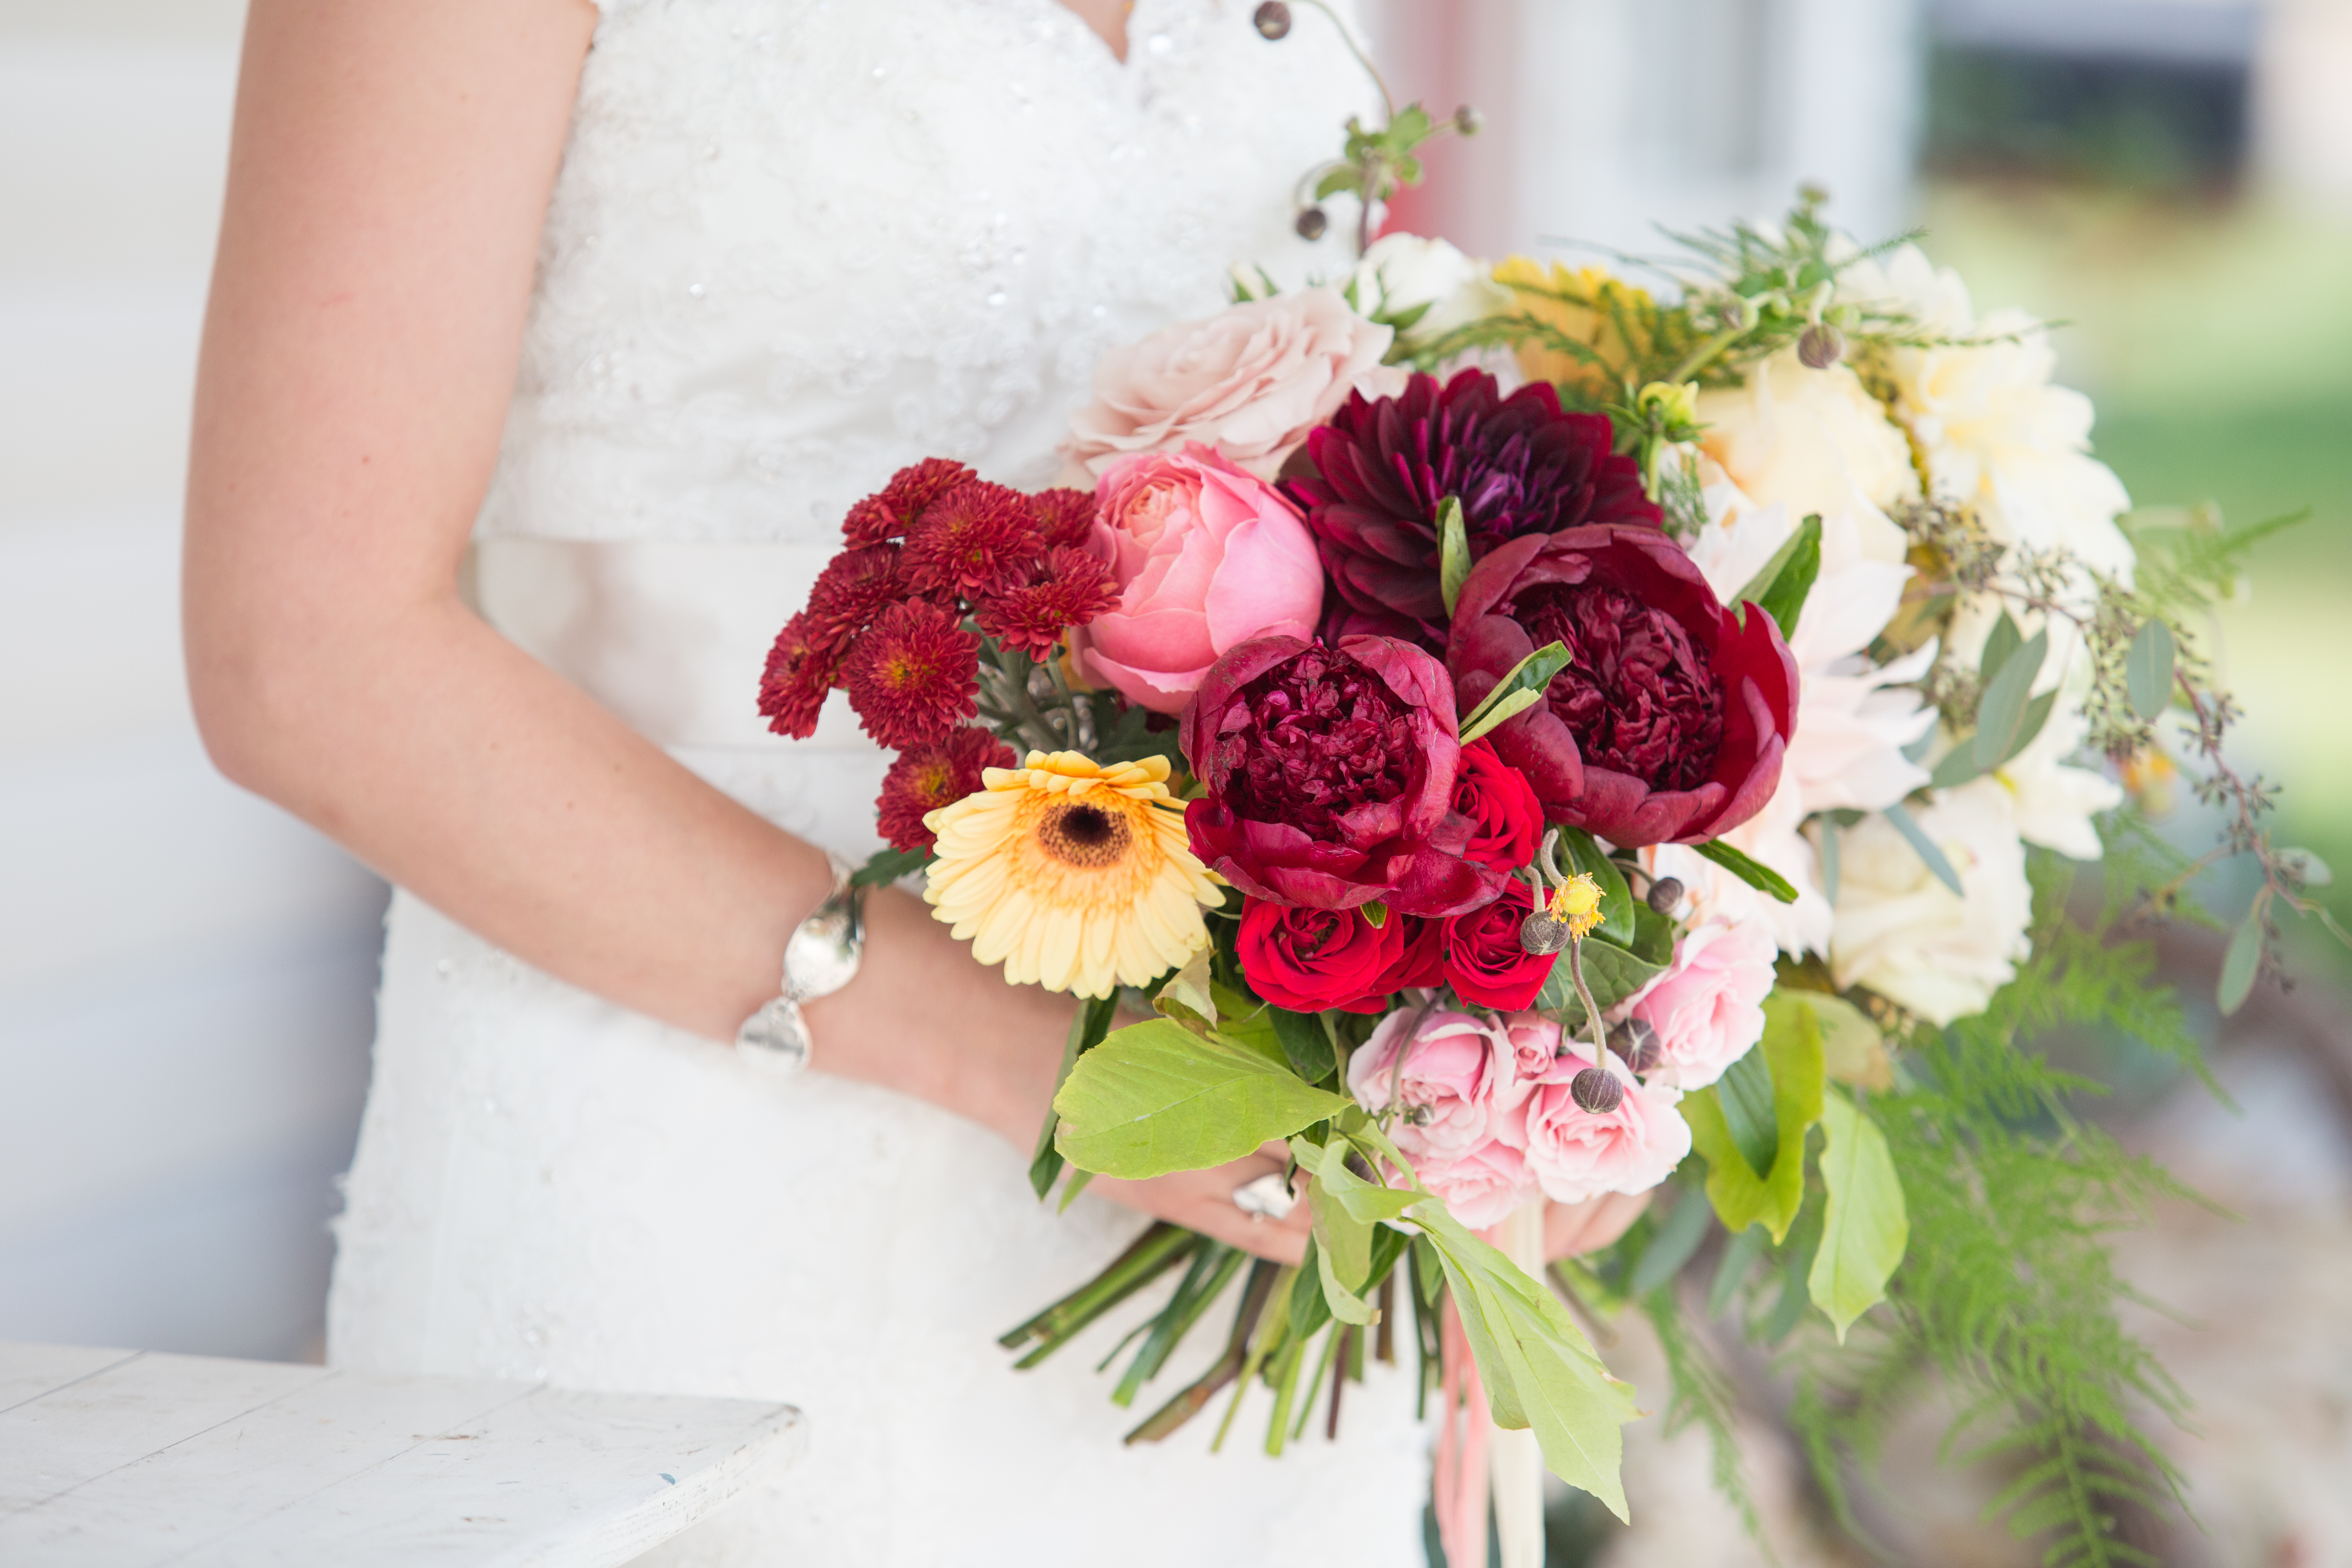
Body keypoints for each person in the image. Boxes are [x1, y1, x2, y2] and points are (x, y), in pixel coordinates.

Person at [184, 1, 1644, 1559]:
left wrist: (1537, 1037)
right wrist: (1053, 1071)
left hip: (1218, 1212)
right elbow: (304, 656)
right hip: (684, 1155)